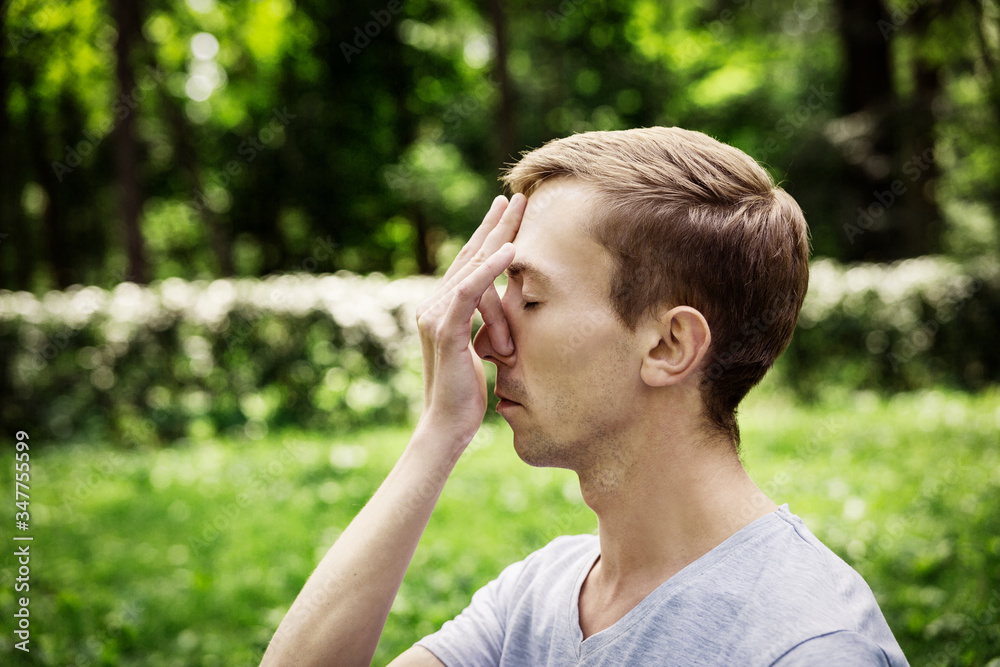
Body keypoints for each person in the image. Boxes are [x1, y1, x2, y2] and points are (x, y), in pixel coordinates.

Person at [260, 127, 908, 666]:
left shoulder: (806, 645)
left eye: (531, 298)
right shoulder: (540, 597)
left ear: (668, 344)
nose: (487, 343)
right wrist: (439, 430)